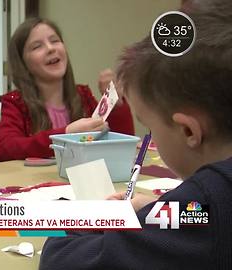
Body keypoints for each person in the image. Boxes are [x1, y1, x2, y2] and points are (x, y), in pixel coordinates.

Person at [40, 0, 232, 269]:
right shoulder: (210, 206)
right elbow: (197, 216)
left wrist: (91, 215)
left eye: (150, 127)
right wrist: (160, 211)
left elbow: (63, 259)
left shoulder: (209, 204)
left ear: (189, 130)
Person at [0, 18, 135, 162]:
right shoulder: (16, 103)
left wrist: (116, 105)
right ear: (23, 63)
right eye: (37, 46)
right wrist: (66, 135)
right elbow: (4, 149)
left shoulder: (82, 95)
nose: (50, 48)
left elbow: (122, 145)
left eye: (54, 41)